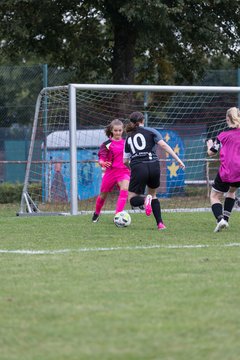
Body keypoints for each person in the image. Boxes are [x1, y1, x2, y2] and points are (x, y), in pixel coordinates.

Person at [123, 111, 185, 230]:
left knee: (132, 199)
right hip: (154, 166)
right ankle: (160, 224)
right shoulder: (151, 131)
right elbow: (164, 146)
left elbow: (125, 161)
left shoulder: (128, 137)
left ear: (132, 123)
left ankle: (146, 200)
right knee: (154, 194)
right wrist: (178, 159)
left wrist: (132, 169)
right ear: (142, 121)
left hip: (138, 166)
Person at [207, 107, 240, 232]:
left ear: (227, 118)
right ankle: (225, 220)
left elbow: (212, 153)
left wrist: (209, 146)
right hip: (239, 171)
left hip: (227, 171)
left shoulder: (222, 136)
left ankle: (220, 219)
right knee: (231, 192)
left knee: (214, 196)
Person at [92, 119, 130, 222]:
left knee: (125, 189)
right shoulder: (107, 144)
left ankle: (117, 216)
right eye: (116, 130)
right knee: (103, 195)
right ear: (111, 131)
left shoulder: (127, 143)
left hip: (124, 171)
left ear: (123, 131)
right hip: (111, 172)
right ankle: (96, 213)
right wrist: (102, 163)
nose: (118, 133)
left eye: (120, 130)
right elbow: (101, 157)